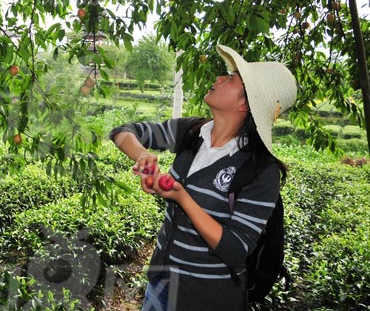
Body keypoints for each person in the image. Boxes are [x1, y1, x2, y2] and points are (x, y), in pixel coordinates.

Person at [109, 45, 297, 310]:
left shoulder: (261, 171)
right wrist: (141, 156)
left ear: (245, 103)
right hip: (160, 284)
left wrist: (182, 197)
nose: (219, 78)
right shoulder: (192, 132)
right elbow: (123, 132)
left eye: (231, 78)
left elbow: (235, 249)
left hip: (207, 297)